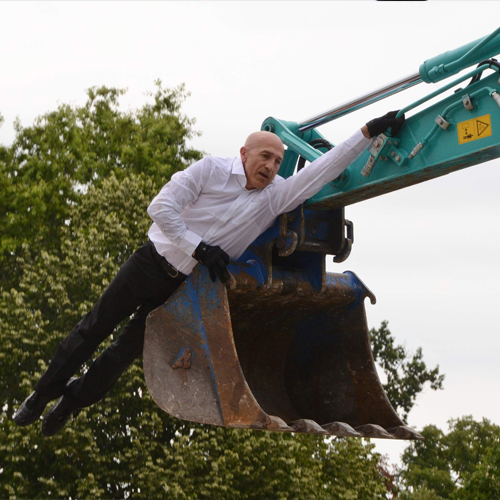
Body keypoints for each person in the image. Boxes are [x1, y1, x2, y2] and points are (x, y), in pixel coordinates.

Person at [13, 111, 405, 436]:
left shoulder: (276, 196)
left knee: (122, 354)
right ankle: (42, 395)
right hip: (150, 265)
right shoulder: (210, 171)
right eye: (265, 156)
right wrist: (199, 247)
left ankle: (71, 403)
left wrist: (368, 132)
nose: (271, 166)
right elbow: (160, 208)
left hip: (182, 286)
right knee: (93, 329)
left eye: (277, 161)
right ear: (244, 154)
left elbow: (322, 170)